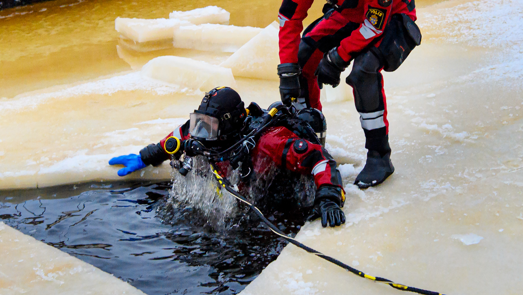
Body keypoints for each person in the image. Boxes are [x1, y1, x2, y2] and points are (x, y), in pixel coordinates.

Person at [276, 0, 421, 188]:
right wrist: (287, 70)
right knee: (302, 59)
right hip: (349, 11)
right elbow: (289, 18)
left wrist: (337, 58)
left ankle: (379, 157)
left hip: (393, 15)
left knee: (364, 71)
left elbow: (373, 25)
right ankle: (311, 145)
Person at [108, 86, 347, 228]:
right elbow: (177, 136)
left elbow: (320, 160)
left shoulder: (269, 141)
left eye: (208, 125)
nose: (200, 132)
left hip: (276, 198)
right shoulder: (205, 131)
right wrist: (145, 156)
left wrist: (328, 199)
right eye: (199, 123)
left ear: (229, 123)